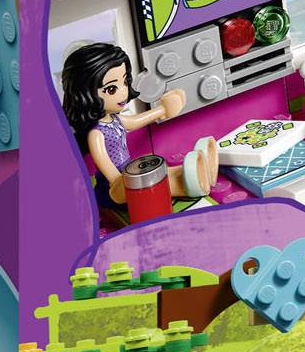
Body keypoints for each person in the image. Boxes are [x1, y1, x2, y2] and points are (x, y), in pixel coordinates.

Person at [60, 44, 219, 222]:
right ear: (85, 95)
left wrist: (163, 110)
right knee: (162, 183)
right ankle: (194, 179)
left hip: (131, 174)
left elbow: (136, 121)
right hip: (114, 189)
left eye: (124, 82)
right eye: (111, 89)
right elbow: (111, 175)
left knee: (166, 173)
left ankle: (202, 170)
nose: (123, 92)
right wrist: (123, 183)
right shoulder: (96, 134)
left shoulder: (115, 119)